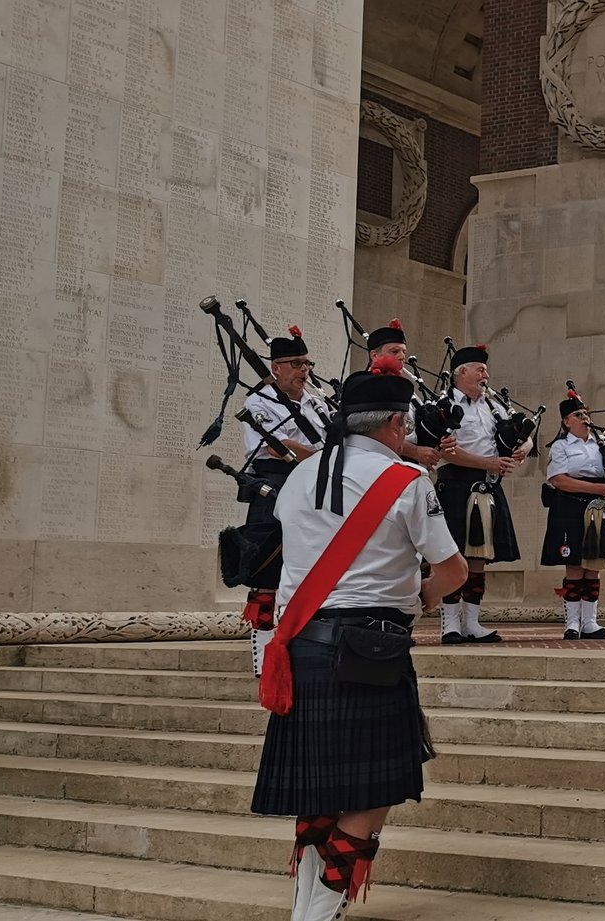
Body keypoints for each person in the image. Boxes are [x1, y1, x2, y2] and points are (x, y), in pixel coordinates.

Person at [250, 355, 467, 921]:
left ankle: (308, 903)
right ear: (394, 424)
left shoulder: (301, 474)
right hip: (372, 648)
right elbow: (453, 572)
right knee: (373, 790)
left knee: (319, 789)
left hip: (303, 645)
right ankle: (319, 911)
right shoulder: (406, 480)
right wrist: (421, 598)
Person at [240, 328, 334, 669]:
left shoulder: (317, 402)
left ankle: (301, 646)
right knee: (267, 570)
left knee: (312, 567)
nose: (303, 370)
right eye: (295, 363)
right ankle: (263, 655)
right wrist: (323, 458)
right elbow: (275, 446)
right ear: (275, 367)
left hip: (311, 487)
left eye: (306, 363)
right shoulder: (258, 401)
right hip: (274, 485)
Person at [432, 345, 529, 645]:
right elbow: (445, 449)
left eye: (485, 370)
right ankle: (449, 623)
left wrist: (520, 450)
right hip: (457, 483)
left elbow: (525, 439)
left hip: (487, 486)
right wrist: (487, 463)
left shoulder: (494, 406)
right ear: (462, 372)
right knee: (453, 554)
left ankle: (472, 622)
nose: (486, 375)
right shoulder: (443, 405)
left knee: (478, 557)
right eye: (480, 369)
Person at [541, 388, 605, 640]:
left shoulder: (602, 443)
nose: (585, 418)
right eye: (578, 415)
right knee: (574, 566)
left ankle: (590, 623)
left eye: (586, 413)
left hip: (600, 506)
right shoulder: (561, 446)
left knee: (594, 566)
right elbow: (558, 480)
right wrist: (596, 488)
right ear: (566, 421)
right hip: (570, 505)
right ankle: (572, 623)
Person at [362, 319, 443, 468]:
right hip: (379, 465)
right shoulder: (364, 387)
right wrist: (416, 452)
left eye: (403, 351)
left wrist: (437, 441)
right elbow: (371, 433)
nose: (401, 356)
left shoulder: (407, 390)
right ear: (374, 355)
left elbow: (413, 430)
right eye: (394, 351)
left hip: (408, 466)